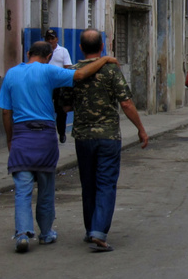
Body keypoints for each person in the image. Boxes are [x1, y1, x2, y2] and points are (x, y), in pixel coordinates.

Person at [0, 40, 116, 253]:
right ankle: (45, 234)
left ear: (27, 53)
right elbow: (80, 75)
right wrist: (105, 59)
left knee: (22, 191)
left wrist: (10, 138)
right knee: (45, 189)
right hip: (44, 138)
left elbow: (6, 112)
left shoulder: (11, 74)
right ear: (49, 56)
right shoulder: (49, 71)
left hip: (21, 137)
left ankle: (22, 234)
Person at [63, 29, 148, 252]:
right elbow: (126, 103)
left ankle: (91, 228)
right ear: (102, 47)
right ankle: (99, 232)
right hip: (108, 137)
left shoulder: (72, 72)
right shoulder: (111, 70)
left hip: (83, 136)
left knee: (88, 184)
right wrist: (140, 129)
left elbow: (64, 105)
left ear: (80, 48)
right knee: (106, 183)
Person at [45, 29, 72, 143]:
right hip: (46, 84)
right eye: (48, 39)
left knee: (61, 110)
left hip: (59, 85)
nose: (51, 41)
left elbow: (67, 67)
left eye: (53, 38)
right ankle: (48, 133)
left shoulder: (63, 51)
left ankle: (61, 132)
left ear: (57, 39)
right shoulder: (43, 51)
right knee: (46, 108)